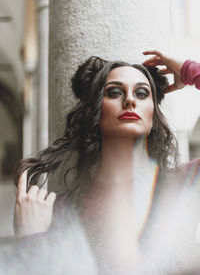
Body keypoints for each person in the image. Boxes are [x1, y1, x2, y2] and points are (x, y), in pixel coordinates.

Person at [13, 55, 200, 274]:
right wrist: (29, 238)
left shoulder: (184, 183)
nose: (130, 100)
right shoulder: (57, 210)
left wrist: (190, 70)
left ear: (153, 115)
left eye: (141, 93)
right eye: (114, 92)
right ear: (93, 111)